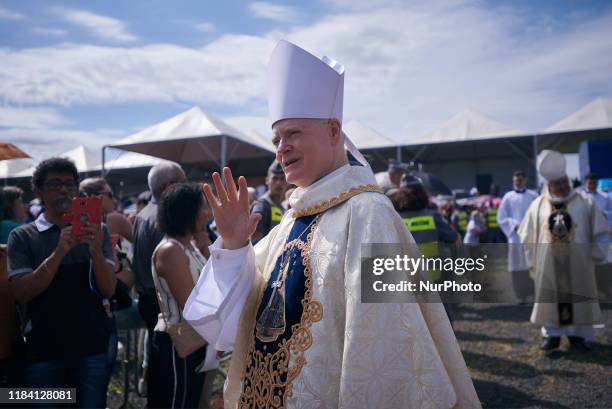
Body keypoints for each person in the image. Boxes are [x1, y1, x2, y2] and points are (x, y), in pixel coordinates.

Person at [184, 40, 479, 408]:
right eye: (276, 139)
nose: (281, 148)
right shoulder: (288, 224)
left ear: (334, 131)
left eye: (293, 134)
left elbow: (384, 349)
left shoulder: (370, 214)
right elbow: (229, 319)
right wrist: (231, 246)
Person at [7, 158, 115, 407]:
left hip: (92, 348)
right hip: (43, 352)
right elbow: (22, 292)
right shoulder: (22, 236)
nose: (64, 190)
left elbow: (108, 289)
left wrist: (96, 252)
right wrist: (59, 252)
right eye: (54, 184)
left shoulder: (99, 231)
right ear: (38, 191)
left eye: (69, 184)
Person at [519, 150, 610, 351]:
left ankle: (577, 335)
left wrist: (595, 252)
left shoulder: (585, 203)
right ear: (548, 184)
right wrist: (532, 259)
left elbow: (602, 232)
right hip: (548, 264)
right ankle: (552, 335)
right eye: (557, 183)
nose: (562, 186)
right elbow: (526, 235)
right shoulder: (537, 206)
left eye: (564, 181)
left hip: (578, 263)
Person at [149, 182, 209, 408]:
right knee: (179, 401)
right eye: (202, 206)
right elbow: (191, 303)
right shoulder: (170, 250)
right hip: (178, 339)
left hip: (194, 338)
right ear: (188, 211)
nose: (207, 212)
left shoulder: (189, 245)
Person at [131, 161, 186, 398]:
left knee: (159, 368)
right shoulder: (164, 217)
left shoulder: (143, 213)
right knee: (170, 376)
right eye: (183, 184)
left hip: (148, 298)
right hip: (164, 303)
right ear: (168, 187)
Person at [79, 177, 135, 390]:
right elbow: (138, 243)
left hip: (94, 303)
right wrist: (128, 271)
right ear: (98, 198)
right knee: (98, 377)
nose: (114, 199)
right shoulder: (114, 220)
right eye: (110, 195)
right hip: (106, 302)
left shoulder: (78, 224)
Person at [497, 170, 539, 302]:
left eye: (520, 180)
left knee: (531, 264)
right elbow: (501, 217)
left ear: (525, 180)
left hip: (530, 235)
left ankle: (533, 293)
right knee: (517, 266)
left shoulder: (533, 196)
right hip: (515, 236)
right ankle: (521, 295)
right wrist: (513, 224)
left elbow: (539, 213)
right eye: (516, 181)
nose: (518, 183)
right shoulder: (508, 197)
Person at [250, 160, 287, 243]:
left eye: (282, 179)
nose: (278, 183)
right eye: (275, 178)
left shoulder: (281, 207)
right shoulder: (262, 205)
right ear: (267, 180)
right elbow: (254, 238)